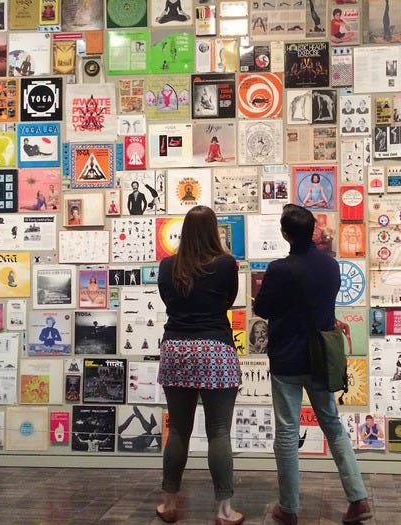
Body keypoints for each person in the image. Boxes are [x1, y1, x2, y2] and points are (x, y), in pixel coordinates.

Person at [253, 204, 371, 525]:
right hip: (321, 357)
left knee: (287, 432)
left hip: (286, 359)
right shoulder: (330, 266)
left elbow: (262, 308)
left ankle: (288, 508)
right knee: (333, 425)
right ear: (313, 232)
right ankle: (358, 498)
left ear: (285, 234)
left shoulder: (279, 270)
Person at [156, 205, 243, 525]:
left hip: (176, 348)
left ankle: (169, 504)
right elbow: (228, 301)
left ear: (184, 232)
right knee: (218, 431)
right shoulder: (226, 264)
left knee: (178, 429)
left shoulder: (167, 266)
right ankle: (224, 510)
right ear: (213, 230)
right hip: (215, 348)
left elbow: (168, 301)